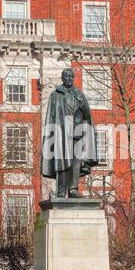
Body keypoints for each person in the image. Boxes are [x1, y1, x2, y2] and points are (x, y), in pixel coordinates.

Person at [41, 68, 98, 198]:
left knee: (76, 162)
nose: (69, 79)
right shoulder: (56, 94)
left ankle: (73, 189)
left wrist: (82, 103)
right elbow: (52, 115)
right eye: (67, 76)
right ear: (62, 78)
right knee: (62, 161)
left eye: (71, 77)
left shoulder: (79, 94)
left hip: (77, 132)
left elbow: (87, 114)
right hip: (62, 133)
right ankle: (61, 191)